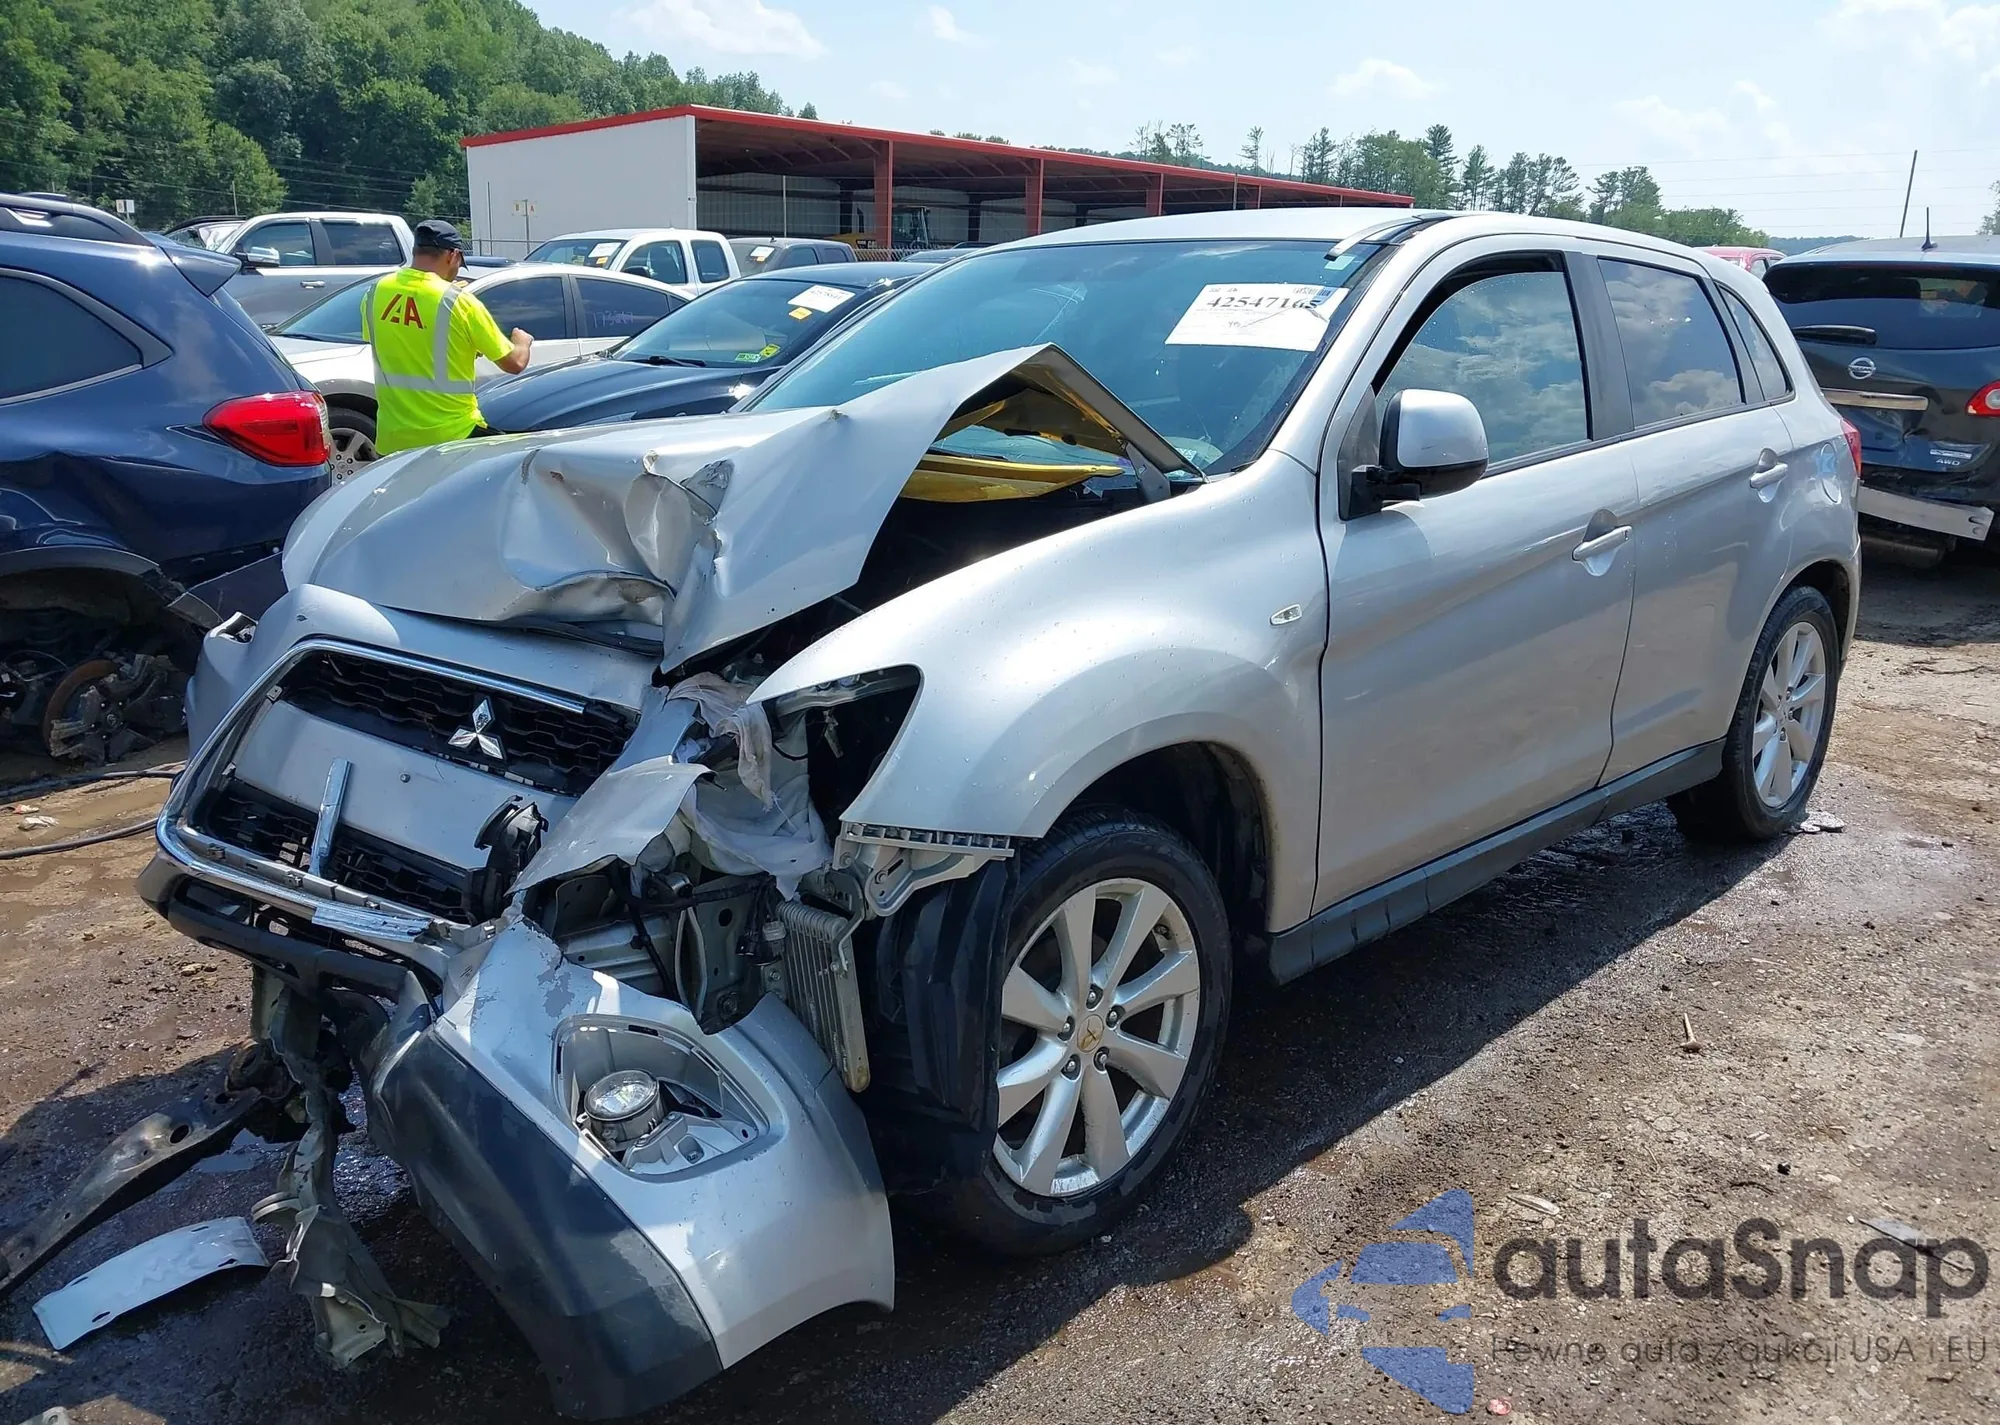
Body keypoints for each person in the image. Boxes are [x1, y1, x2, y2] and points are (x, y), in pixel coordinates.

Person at [363, 219, 532, 455]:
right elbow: (514, 363)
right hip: (453, 438)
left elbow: (405, 341)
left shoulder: (377, 291)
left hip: (394, 440)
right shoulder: (459, 302)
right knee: (520, 458)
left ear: (416, 250)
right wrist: (522, 342)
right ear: (453, 255)